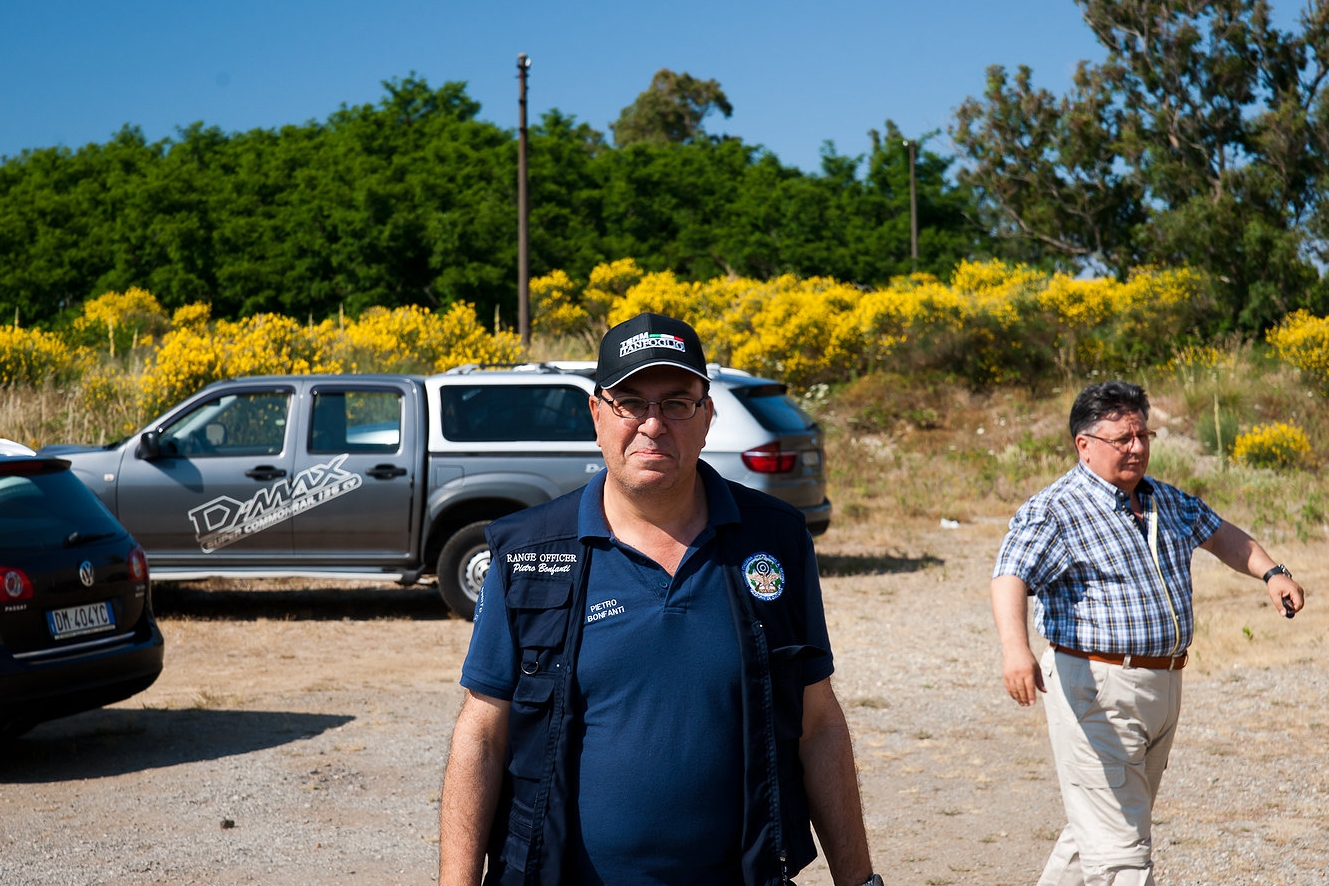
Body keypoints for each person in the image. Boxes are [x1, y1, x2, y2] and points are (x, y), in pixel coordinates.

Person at [438, 312, 878, 886]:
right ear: (597, 415)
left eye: (677, 403)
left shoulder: (774, 539)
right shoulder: (527, 551)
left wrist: (860, 881)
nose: (653, 424)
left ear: (707, 417)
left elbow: (817, 723)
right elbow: (482, 734)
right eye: (629, 403)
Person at [991, 380, 1306, 886]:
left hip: (1162, 685)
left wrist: (1271, 572)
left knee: (1102, 831)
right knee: (1122, 854)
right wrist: (1014, 649)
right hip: (1096, 688)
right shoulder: (1056, 510)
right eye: (1123, 439)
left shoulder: (1164, 500)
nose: (1137, 448)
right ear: (1084, 445)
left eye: (1143, 435)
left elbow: (1220, 534)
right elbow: (1010, 573)